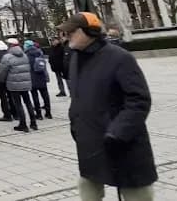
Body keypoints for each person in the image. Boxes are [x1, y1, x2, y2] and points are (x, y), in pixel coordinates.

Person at [61, 13, 157, 201]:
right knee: (88, 189)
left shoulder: (120, 58)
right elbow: (79, 97)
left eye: (72, 31)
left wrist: (119, 132)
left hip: (122, 143)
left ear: (89, 31)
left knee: (137, 194)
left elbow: (139, 100)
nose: (67, 35)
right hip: (91, 144)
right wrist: (75, 123)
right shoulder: (75, 59)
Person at [0, 38, 37, 132]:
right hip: (25, 83)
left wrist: (2, 81)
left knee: (18, 104)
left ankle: (23, 124)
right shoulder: (24, 55)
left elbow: (2, 71)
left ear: (10, 46)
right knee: (28, 102)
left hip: (13, 84)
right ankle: (33, 122)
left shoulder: (7, 57)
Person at [24, 40, 52, 120]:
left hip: (32, 78)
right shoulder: (39, 52)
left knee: (35, 96)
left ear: (27, 46)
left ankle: (39, 114)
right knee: (45, 95)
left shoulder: (26, 55)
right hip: (41, 77)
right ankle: (48, 113)